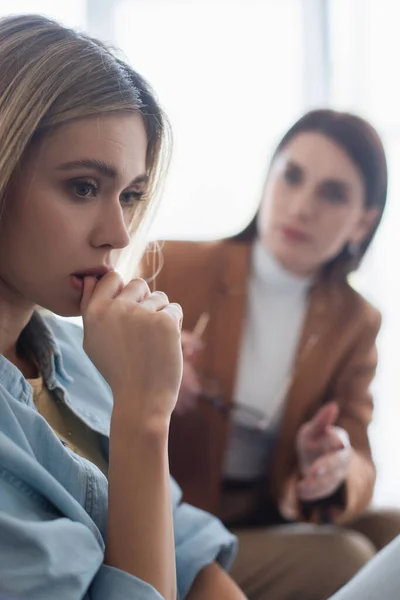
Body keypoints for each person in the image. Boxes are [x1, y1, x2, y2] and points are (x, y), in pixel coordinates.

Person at [0, 14, 246, 600]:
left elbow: (186, 549)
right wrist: (143, 415)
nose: (118, 233)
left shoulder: (74, 350)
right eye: (83, 187)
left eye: (131, 195)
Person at [141, 109, 400, 599]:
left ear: (363, 221)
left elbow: (359, 451)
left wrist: (334, 465)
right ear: (268, 178)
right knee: (348, 557)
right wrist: (147, 373)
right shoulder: (171, 266)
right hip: (179, 520)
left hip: (267, 512)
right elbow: (90, 393)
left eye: (333, 193)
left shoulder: (355, 319)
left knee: (391, 529)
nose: (302, 207)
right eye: (292, 177)